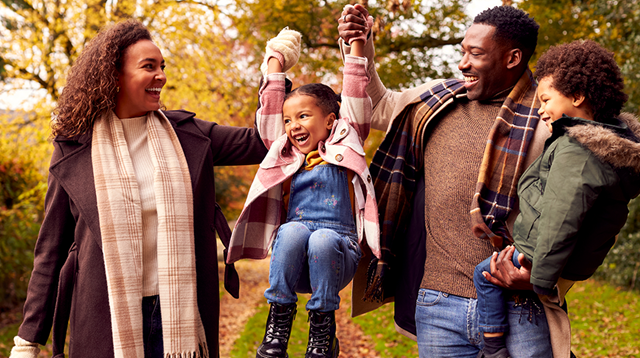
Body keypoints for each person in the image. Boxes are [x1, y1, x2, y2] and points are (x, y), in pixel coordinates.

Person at [9, 19, 267, 358]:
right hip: (104, 319)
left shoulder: (189, 135)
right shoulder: (74, 149)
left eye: (162, 66)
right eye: (149, 67)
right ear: (113, 75)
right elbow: (51, 250)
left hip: (180, 318)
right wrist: (28, 341)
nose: (161, 75)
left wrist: (275, 71)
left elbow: (266, 141)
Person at [338, 5, 563, 358]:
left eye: (475, 54)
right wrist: (360, 45)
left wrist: (545, 277)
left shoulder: (548, 120)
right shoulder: (438, 100)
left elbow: (580, 213)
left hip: (521, 305)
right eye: (462, 51)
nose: (462, 64)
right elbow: (379, 105)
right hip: (438, 303)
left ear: (512, 58)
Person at [473, 39, 640, 358]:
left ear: (578, 96)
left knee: (485, 273)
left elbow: (560, 215)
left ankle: (492, 348)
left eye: (546, 99)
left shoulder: (575, 150)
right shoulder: (608, 149)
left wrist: (539, 279)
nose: (540, 109)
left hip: (536, 258)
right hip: (560, 262)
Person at [225, 21, 379, 358]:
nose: (293, 125)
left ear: (331, 120)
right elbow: (268, 110)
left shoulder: (348, 140)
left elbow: (355, 93)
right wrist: (276, 58)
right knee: (294, 230)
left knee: (322, 238)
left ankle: (322, 328)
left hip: (338, 253)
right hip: (294, 259)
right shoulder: (283, 153)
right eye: (288, 120)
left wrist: (356, 46)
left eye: (304, 116)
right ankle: (278, 324)